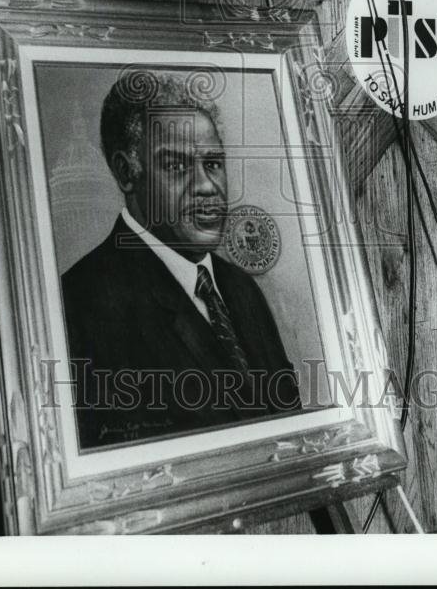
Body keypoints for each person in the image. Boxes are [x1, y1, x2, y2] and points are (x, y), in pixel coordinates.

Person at [60, 70, 301, 450]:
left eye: (214, 163)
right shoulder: (78, 305)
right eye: (176, 166)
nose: (207, 186)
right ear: (126, 172)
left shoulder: (240, 288)